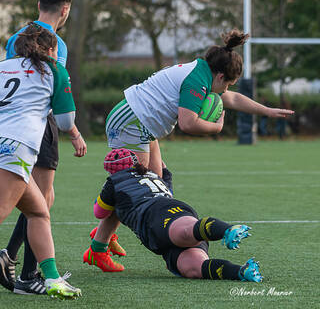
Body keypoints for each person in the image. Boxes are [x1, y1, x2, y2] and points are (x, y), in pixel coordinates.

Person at [95, 28, 295, 269]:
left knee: (154, 182)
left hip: (141, 123)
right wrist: (217, 127)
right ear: (220, 77)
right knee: (138, 188)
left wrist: (267, 111)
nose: (225, 91)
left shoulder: (203, 72)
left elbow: (230, 99)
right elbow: (188, 123)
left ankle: (103, 236)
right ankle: (99, 247)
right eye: (228, 84)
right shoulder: (196, 81)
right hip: (132, 122)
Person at [83, 148, 263, 283]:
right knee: (193, 268)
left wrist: (109, 201)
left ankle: (228, 230)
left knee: (184, 233)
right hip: (167, 220)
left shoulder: (114, 181)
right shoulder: (151, 174)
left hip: (156, 213)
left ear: (110, 171)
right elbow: (165, 174)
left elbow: (100, 213)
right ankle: (241, 272)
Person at [0, 23, 85, 298]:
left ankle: (52, 279)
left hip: (7, 144)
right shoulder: (54, 70)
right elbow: (65, 122)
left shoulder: (3, 67)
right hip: (15, 146)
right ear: (51, 49)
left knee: (38, 212)